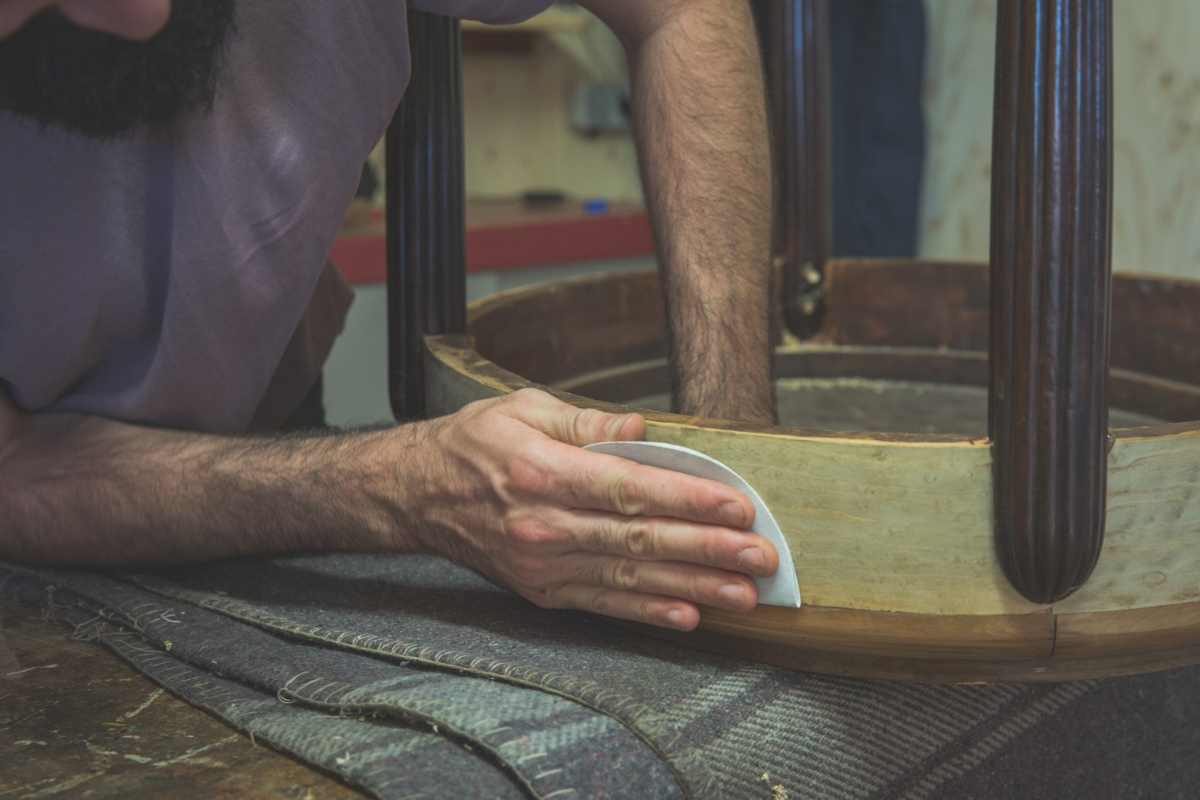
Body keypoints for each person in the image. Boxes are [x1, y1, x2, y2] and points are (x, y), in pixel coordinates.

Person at [0, 0, 777, 633]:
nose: (144, 13)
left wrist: (741, 469)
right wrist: (398, 486)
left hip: (264, 399)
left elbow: (683, 9)